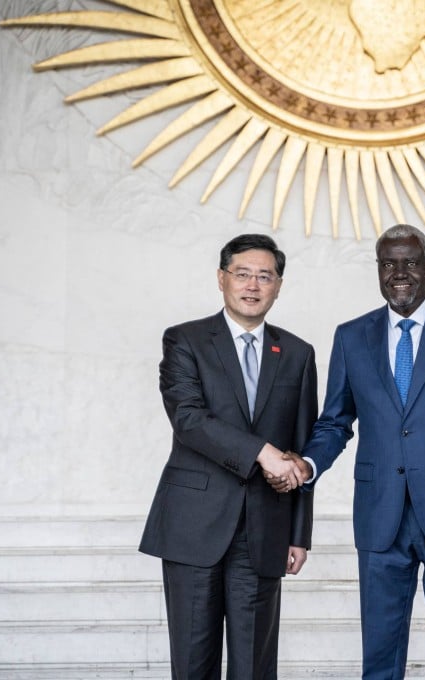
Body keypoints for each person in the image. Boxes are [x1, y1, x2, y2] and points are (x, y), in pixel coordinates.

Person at [270, 223, 425, 679]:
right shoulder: (351, 336)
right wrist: (307, 463)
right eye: (388, 264)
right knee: (379, 660)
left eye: (409, 262)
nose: (399, 273)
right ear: (378, 271)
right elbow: (335, 420)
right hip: (380, 515)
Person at [139, 233, 318, 680]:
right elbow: (189, 420)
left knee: (254, 665)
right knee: (194, 662)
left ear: (279, 285)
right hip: (193, 526)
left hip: (264, 529)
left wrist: (299, 533)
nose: (253, 285)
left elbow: (301, 447)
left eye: (265, 276)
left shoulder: (297, 353)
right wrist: (262, 452)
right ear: (222, 279)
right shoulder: (185, 340)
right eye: (242, 274)